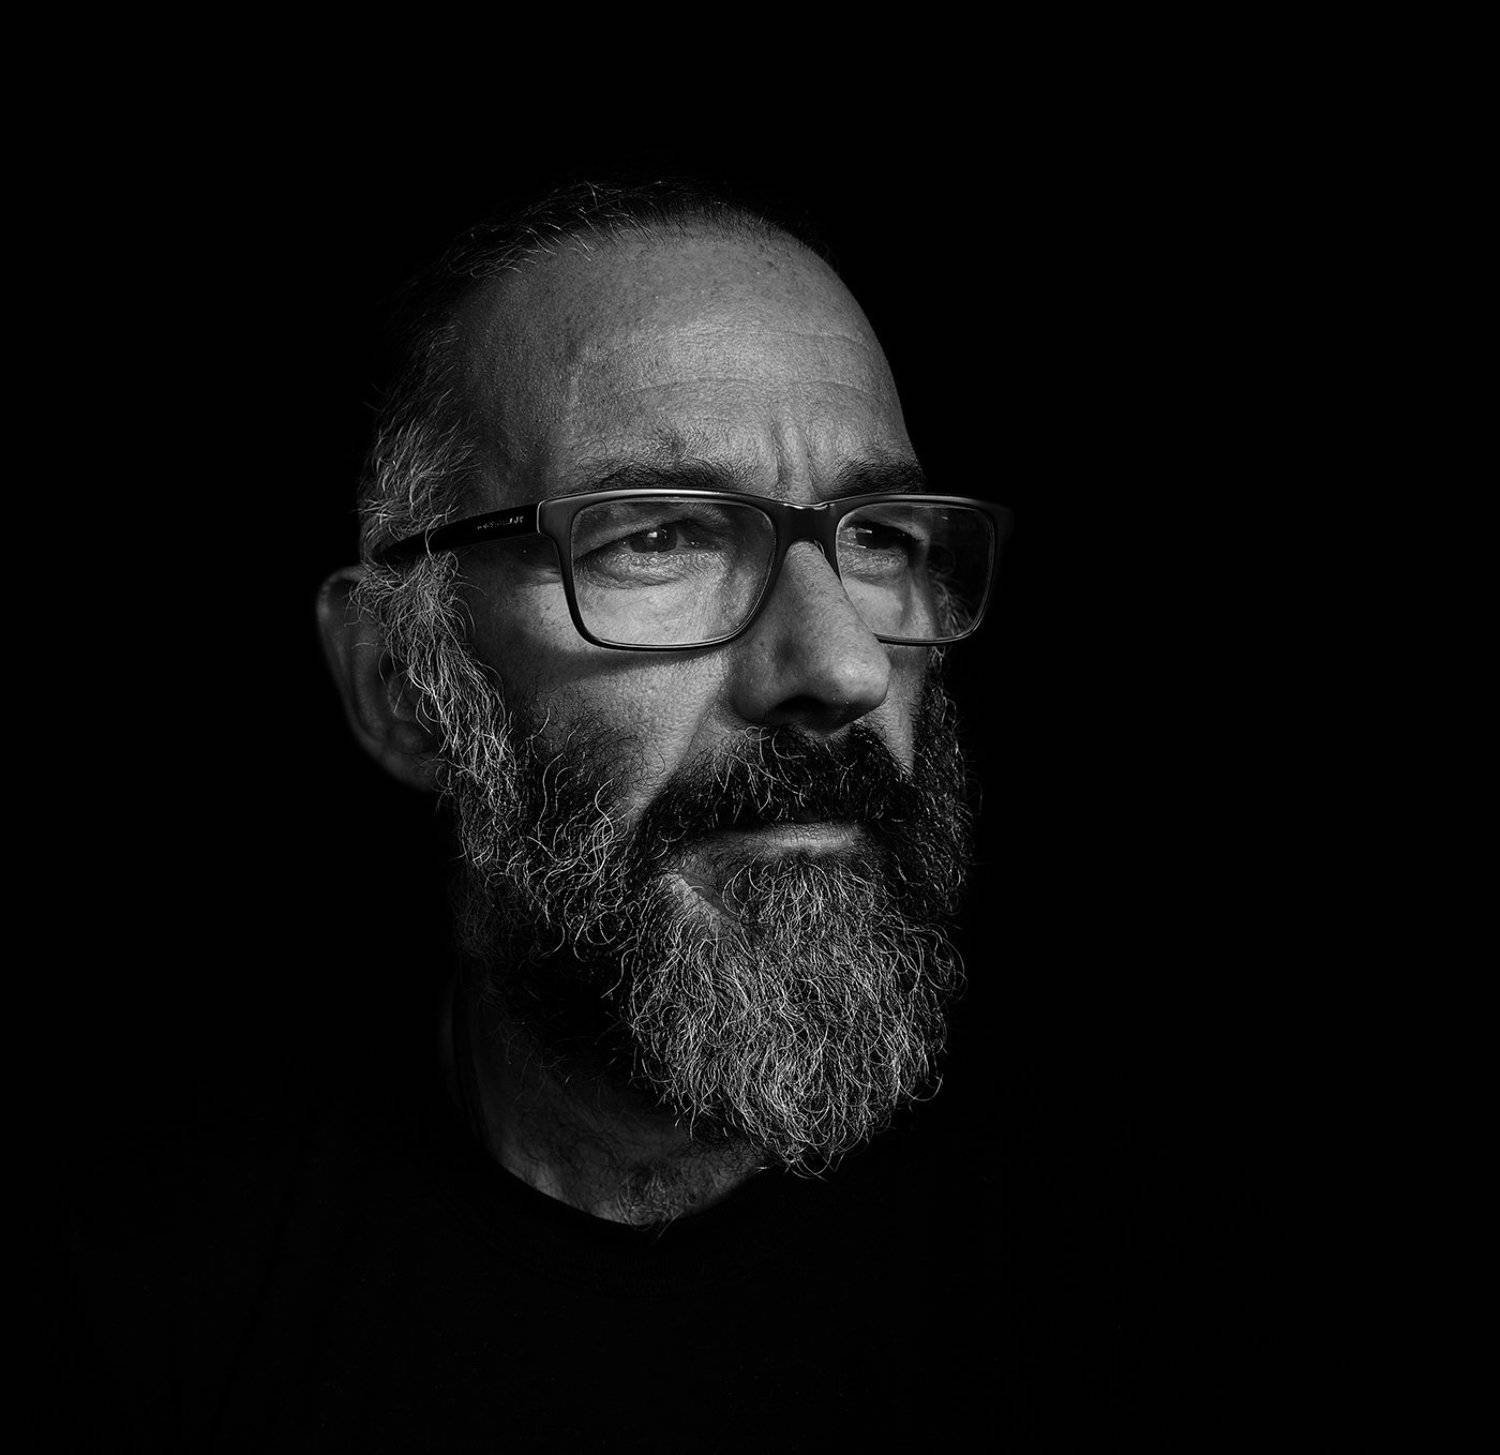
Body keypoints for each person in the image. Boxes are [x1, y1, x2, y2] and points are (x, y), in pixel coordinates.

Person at [66, 178, 1019, 1450]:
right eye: (658, 537)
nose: (843, 665)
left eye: (880, 537)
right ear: (403, 686)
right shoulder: (145, 1300)